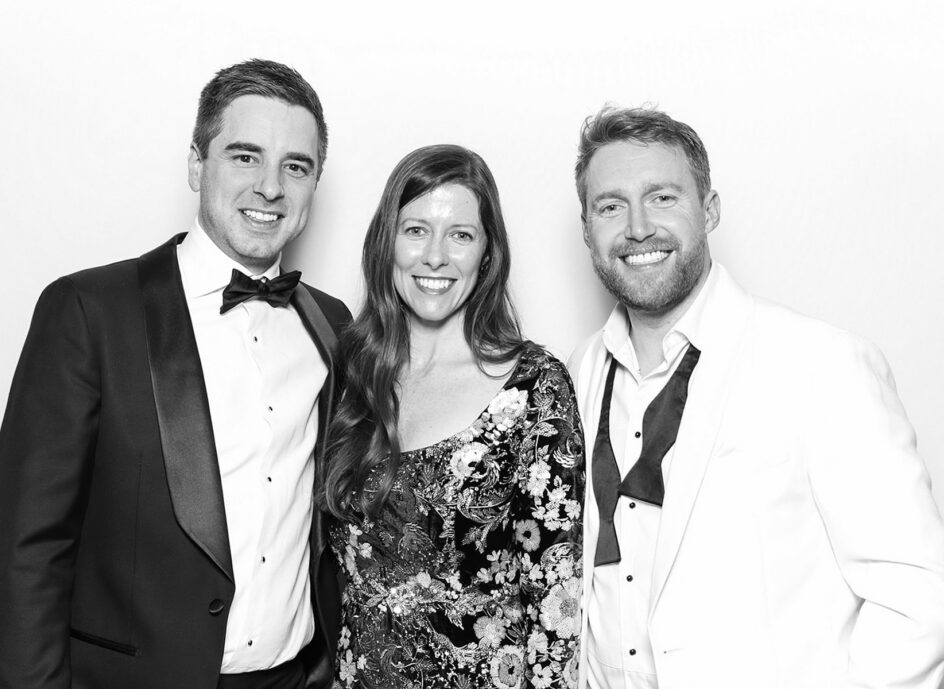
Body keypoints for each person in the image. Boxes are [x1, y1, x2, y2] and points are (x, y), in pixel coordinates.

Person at [0, 59, 351, 689]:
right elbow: (30, 553)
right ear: (195, 164)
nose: (271, 188)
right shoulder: (88, 312)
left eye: (296, 166)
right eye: (244, 156)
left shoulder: (332, 324)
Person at [569, 105, 944, 689]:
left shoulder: (820, 364)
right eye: (610, 205)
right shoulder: (575, 375)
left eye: (663, 197)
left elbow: (918, 599)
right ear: (588, 229)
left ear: (710, 209)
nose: (638, 226)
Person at [321, 144, 584, 688]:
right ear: (386, 242)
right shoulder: (349, 372)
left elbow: (554, 604)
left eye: (460, 235)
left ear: (487, 254)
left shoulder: (533, 386)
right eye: (416, 229)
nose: (435, 256)